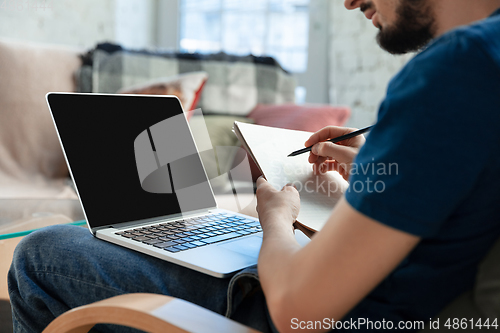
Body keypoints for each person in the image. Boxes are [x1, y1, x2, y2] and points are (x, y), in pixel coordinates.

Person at [8, 0, 500, 332]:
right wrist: (377, 170)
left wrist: (275, 219)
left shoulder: (456, 67)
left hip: (358, 312)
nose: (348, 2)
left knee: (45, 254)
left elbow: (297, 313)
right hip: (413, 296)